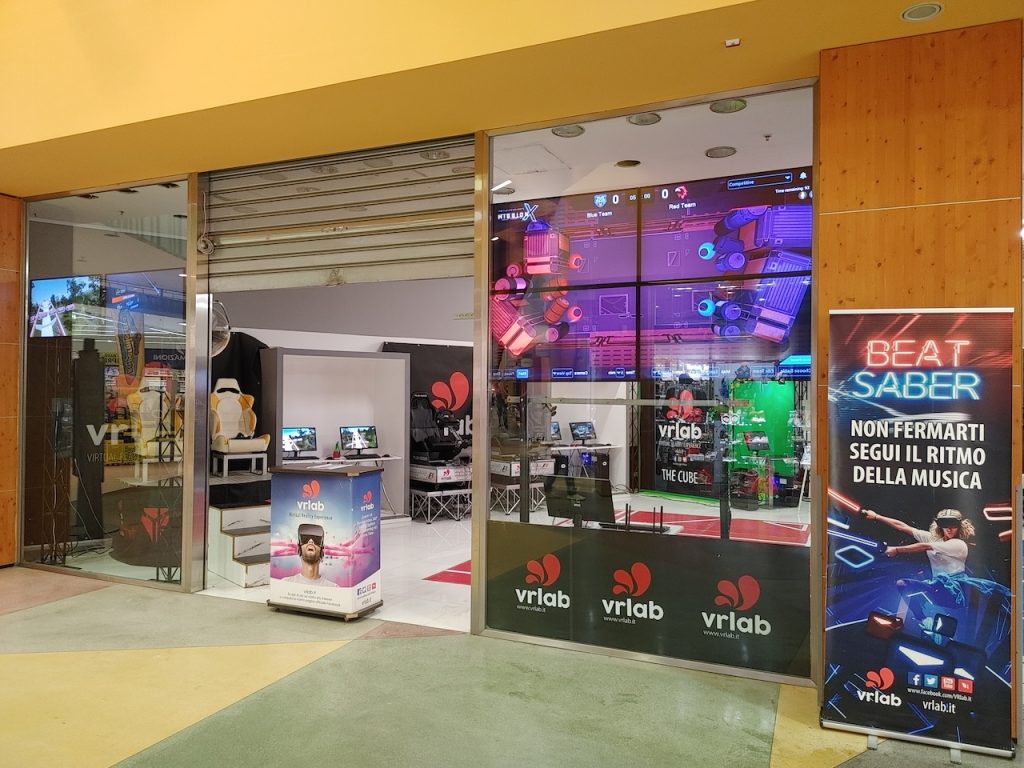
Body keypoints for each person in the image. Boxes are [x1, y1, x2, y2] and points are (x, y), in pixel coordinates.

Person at [862, 507, 973, 576]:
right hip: (938, 584)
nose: (949, 529)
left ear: (959, 526)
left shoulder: (959, 544)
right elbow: (903, 527)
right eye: (945, 524)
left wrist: (896, 549)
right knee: (903, 584)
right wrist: (876, 516)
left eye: (953, 524)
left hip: (955, 586)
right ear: (940, 526)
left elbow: (925, 546)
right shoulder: (934, 539)